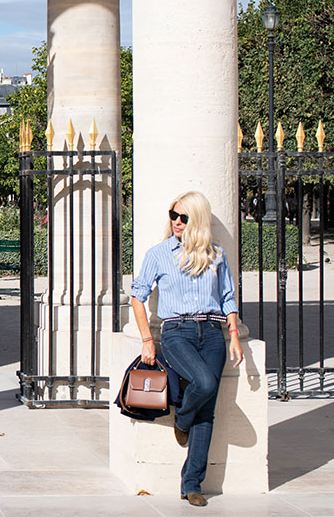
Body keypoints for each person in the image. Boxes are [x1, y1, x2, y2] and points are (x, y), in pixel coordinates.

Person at [129, 190, 243, 508]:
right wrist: (147, 340)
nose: (177, 222)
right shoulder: (159, 253)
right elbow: (137, 297)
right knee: (203, 384)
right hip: (177, 332)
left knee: (208, 411)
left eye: (184, 217)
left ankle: (192, 483)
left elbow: (228, 297)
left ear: (198, 220)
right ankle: (181, 421)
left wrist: (234, 334)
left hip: (213, 332)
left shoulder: (216, 254)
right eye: (173, 215)